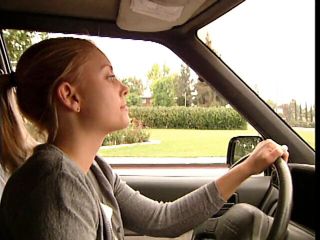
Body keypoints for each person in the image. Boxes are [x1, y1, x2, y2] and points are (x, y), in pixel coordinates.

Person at [0, 37, 289, 240]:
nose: (124, 87)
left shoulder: (93, 170)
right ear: (71, 96)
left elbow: (163, 220)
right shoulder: (55, 185)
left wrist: (248, 167)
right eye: (109, 76)